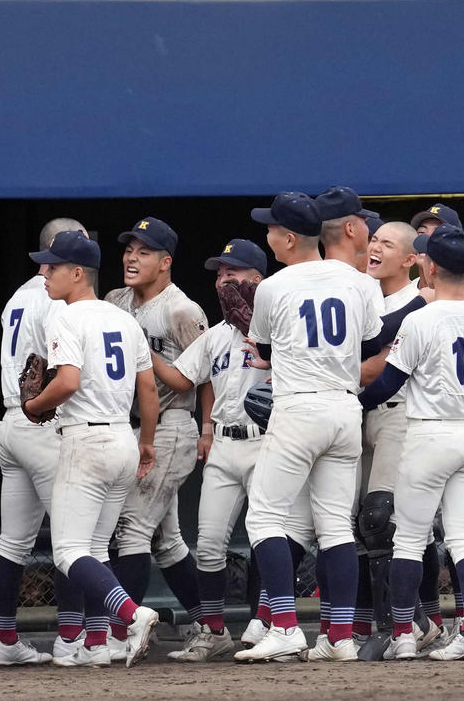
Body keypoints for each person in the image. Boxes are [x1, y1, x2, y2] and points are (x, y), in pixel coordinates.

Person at [233, 192, 387, 662]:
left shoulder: (274, 286)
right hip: (344, 408)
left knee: (263, 517)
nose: (268, 234)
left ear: (290, 237)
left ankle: (283, 625)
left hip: (299, 407)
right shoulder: (357, 279)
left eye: (272, 229)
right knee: (336, 526)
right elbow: (370, 339)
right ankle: (339, 636)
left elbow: (261, 343)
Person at [360, 225, 464, 660]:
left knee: (409, 540)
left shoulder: (419, 318)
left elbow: (386, 383)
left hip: (429, 433)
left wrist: (347, 398)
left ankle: (405, 637)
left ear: (429, 267)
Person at [24, 230, 160, 669]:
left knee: (68, 552)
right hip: (122, 435)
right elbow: (148, 391)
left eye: (53, 266)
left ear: (78, 273)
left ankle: (131, 614)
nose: (45, 273)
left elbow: (67, 383)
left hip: (86, 438)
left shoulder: (64, 316)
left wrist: (33, 406)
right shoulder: (124, 318)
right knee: (97, 547)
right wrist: (146, 442)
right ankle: (97, 644)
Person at [151, 238, 271, 661]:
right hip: (224, 444)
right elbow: (182, 378)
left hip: (267, 444)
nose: (223, 280)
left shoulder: (278, 330)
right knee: (209, 543)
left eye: (232, 272)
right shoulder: (217, 335)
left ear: (257, 279)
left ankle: (270, 625)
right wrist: (140, 348)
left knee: (267, 539)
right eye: (220, 274)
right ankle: (214, 630)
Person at [105, 216, 210, 659]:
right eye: (129, 248)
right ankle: (210, 624)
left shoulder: (181, 309)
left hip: (171, 425)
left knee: (130, 531)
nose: (132, 257)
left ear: (165, 262)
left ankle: (123, 632)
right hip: (131, 425)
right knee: (167, 542)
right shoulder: (113, 300)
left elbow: (201, 377)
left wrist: (208, 428)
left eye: (144, 251)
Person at [0, 217, 88, 667]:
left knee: (13, 543)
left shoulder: (17, 295)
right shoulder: (54, 299)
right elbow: (62, 371)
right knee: (72, 537)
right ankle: (70, 640)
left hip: (10, 425)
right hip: (41, 424)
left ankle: (4, 642)